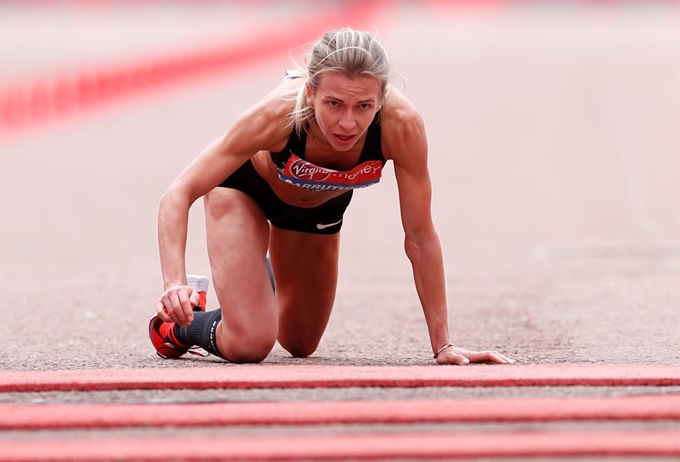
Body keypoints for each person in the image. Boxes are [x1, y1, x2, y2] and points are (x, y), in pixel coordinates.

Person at [149, 28, 514, 366]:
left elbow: (420, 236)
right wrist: (174, 283)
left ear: (382, 98)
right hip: (246, 192)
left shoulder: (401, 126)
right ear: (311, 92)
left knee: (300, 342)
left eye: (364, 107)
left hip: (316, 211)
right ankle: (179, 327)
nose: (348, 124)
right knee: (251, 343)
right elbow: (178, 194)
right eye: (334, 103)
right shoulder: (277, 115)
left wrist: (444, 345)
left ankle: (254, 284)